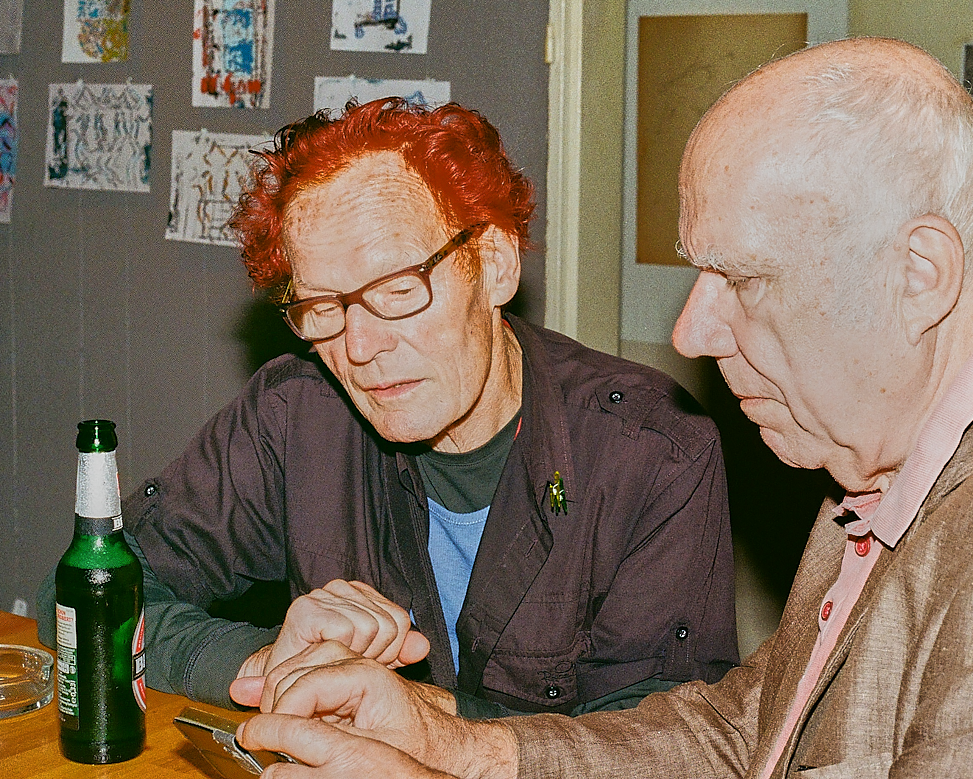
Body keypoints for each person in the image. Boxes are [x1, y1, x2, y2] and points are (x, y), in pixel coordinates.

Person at [234, 37, 973, 777]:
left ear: (921, 272)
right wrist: (457, 746)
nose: (691, 332)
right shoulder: (903, 450)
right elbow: (749, 733)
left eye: (741, 279)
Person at [37, 99, 739, 717]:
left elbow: (666, 746)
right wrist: (270, 665)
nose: (360, 346)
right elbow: (80, 594)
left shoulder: (653, 451)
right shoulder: (294, 417)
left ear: (494, 265)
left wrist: (421, 722)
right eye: (323, 307)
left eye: (400, 289)